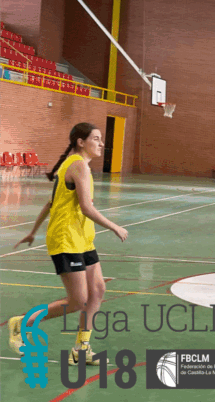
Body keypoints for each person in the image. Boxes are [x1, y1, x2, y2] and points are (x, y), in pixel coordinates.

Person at [7, 123, 128, 365]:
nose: (101, 143)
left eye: (101, 139)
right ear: (81, 142)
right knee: (78, 301)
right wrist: (114, 226)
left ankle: (80, 350)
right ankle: (21, 323)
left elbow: (52, 203)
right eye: (96, 138)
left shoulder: (72, 163)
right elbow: (86, 207)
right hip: (66, 240)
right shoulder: (77, 165)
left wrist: (33, 231)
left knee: (98, 291)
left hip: (82, 239)